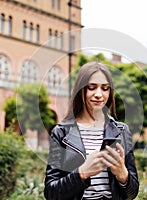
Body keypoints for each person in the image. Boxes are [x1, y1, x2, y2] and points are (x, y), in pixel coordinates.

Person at [44, 61, 139, 200]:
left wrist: (122, 174)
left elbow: (132, 193)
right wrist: (81, 173)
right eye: (92, 87)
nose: (99, 94)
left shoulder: (121, 131)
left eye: (105, 88)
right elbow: (51, 193)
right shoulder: (61, 133)